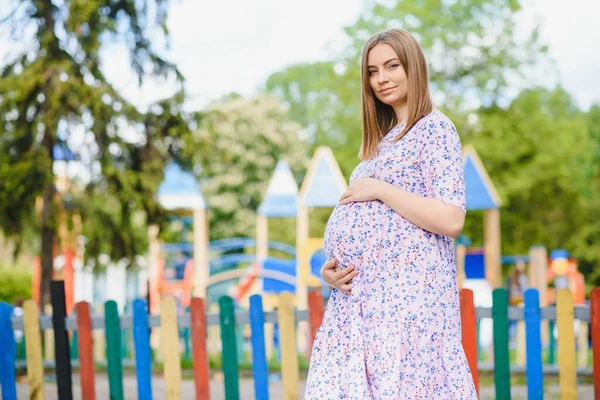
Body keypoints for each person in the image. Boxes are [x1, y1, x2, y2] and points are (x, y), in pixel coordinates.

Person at [305, 28, 477, 399]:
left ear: (413, 67)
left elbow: (451, 218)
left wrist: (381, 189)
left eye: (391, 66)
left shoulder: (435, 129)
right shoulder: (384, 142)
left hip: (408, 309)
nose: (381, 78)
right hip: (362, 308)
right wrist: (333, 270)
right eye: (372, 71)